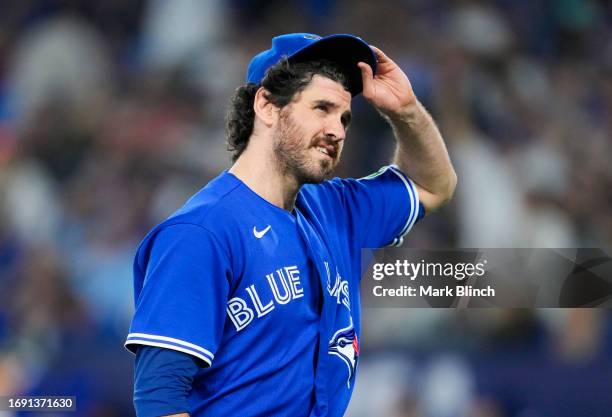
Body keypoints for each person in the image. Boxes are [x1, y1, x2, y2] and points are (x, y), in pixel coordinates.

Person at [125, 33, 457, 417]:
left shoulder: (336, 209)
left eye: (344, 117)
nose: (338, 131)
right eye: (322, 108)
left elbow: (435, 185)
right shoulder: (201, 233)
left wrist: (407, 111)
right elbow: (159, 397)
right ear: (267, 105)